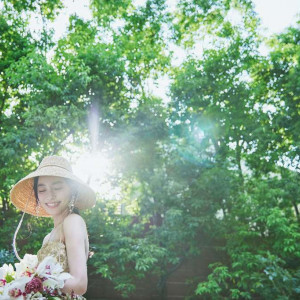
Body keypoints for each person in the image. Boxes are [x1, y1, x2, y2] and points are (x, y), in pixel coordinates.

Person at [9, 155, 96, 297]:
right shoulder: (47, 237)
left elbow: (79, 284)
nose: (50, 195)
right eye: (42, 190)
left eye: (57, 187)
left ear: (72, 190)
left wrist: (30, 287)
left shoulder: (72, 221)